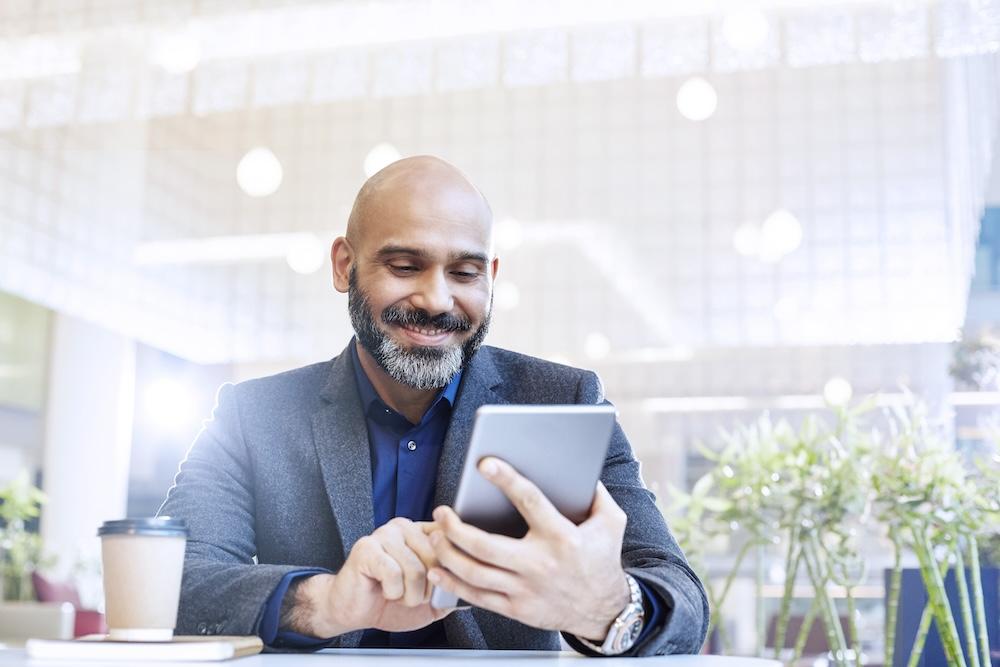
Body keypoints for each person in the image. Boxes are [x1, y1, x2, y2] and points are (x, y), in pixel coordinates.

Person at [158, 156, 708, 656]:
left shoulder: (564, 397)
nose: (437, 299)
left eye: (464, 273)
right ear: (344, 266)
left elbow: (679, 596)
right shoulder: (253, 415)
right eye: (404, 265)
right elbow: (167, 583)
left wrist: (606, 607)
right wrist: (324, 603)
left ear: (490, 278)